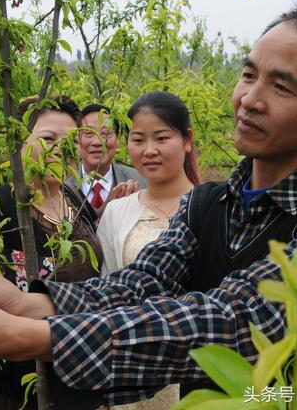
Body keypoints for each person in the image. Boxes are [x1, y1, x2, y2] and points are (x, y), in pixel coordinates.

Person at [0, 3, 297, 408]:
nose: (249, 98)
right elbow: (140, 285)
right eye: (249, 74)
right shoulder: (208, 202)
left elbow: (233, 320)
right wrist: (27, 303)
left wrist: (28, 335)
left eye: (282, 86)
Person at [0, 95, 104, 409]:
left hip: (85, 371)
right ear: (20, 143)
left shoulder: (78, 203)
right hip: (23, 386)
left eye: (72, 140)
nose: (61, 148)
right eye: (48, 138)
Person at [97, 91, 202, 409]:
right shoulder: (117, 212)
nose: (149, 151)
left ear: (187, 140)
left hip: (200, 366)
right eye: (138, 139)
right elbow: (107, 293)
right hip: (136, 370)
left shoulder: (211, 208)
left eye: (161, 138)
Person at [68, 104, 147, 211]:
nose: (97, 142)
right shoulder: (64, 184)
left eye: (106, 133)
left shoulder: (141, 181)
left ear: (118, 139)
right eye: (88, 133)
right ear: (77, 139)